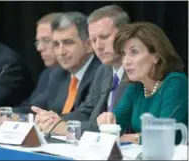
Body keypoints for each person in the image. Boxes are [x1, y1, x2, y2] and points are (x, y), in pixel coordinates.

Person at [35, 5, 131, 135]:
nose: (98, 46)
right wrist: (56, 121)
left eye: (104, 37)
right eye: (93, 40)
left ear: (125, 35)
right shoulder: (104, 70)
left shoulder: (136, 72)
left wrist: (66, 128)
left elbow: (120, 126)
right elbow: (86, 112)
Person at [97, 22, 188, 144]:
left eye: (134, 52)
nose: (126, 62)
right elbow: (117, 122)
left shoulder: (176, 83)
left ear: (156, 56)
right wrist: (108, 121)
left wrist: (133, 138)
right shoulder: (136, 87)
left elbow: (166, 134)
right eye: (124, 54)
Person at [0, 12, 61, 128]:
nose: (40, 48)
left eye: (46, 40)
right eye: (38, 42)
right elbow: (31, 108)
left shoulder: (76, 75)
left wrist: (9, 116)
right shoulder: (48, 74)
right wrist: (3, 114)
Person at [28, 11, 102, 133]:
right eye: (56, 44)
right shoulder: (58, 73)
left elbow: (86, 115)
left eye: (68, 43)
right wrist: (5, 115)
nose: (61, 52)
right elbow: (35, 107)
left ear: (89, 45)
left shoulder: (100, 73)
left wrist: (55, 122)